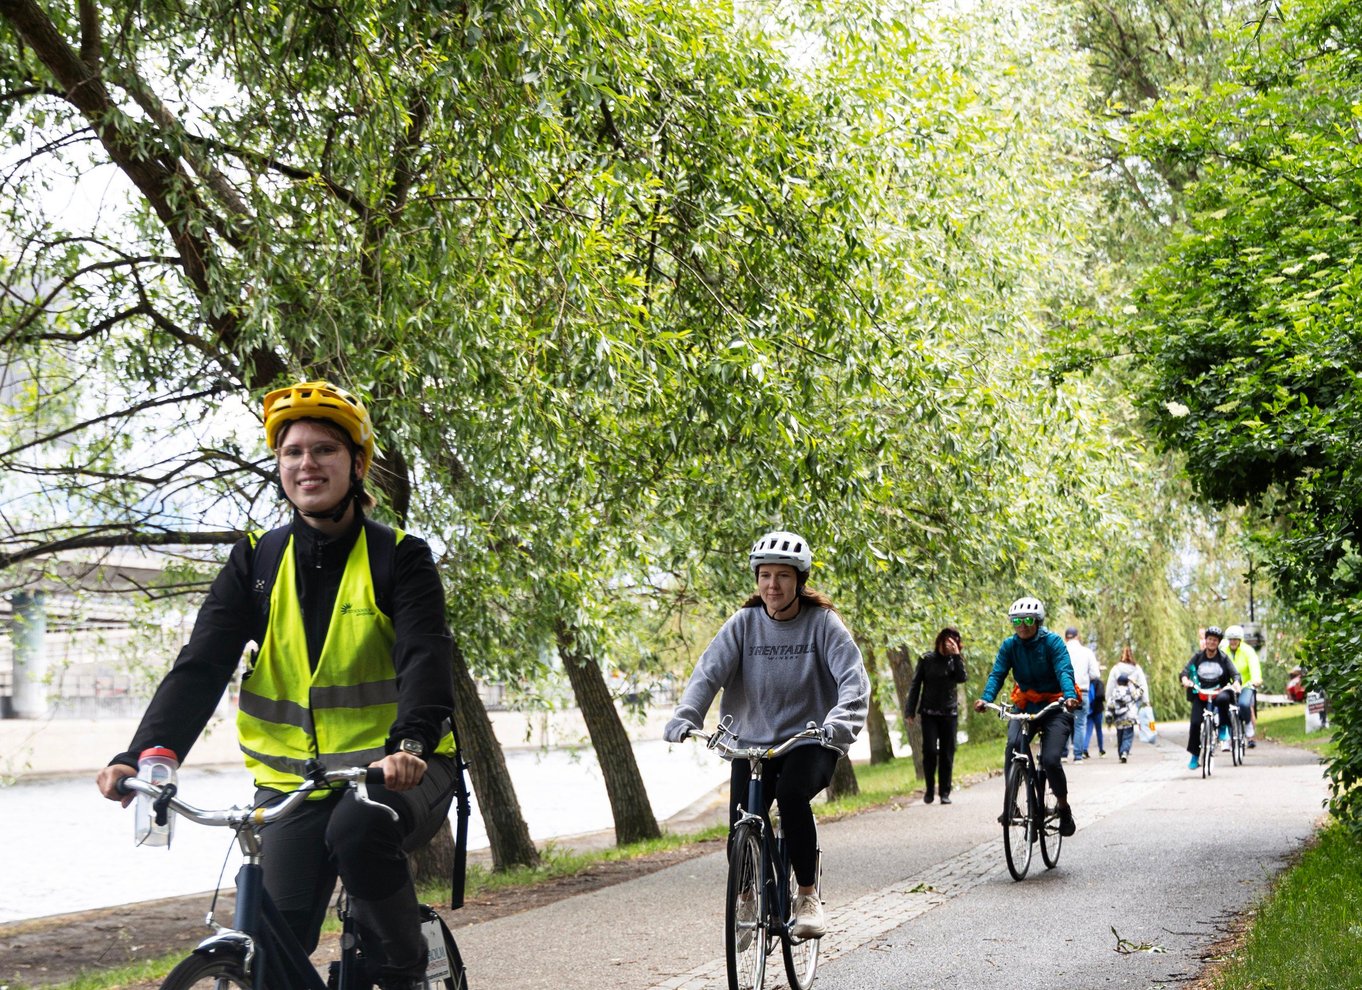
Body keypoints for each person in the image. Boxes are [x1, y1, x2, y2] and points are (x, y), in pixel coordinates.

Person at [96, 381, 458, 990]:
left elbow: (425, 657)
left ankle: (406, 972)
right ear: (279, 466)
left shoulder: (401, 557)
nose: (306, 464)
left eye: (324, 450)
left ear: (357, 465)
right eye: (292, 452)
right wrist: (142, 754)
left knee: (358, 828)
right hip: (293, 784)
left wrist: (413, 745)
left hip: (396, 773)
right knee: (273, 942)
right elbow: (202, 665)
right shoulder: (256, 561)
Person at [663, 530, 869, 939]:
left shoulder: (823, 624)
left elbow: (854, 683)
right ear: (757, 580)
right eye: (765, 575)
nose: (772, 585)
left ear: (800, 580)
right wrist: (687, 716)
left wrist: (838, 724)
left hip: (810, 739)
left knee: (792, 796)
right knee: (742, 820)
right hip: (751, 743)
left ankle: (807, 896)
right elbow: (708, 673)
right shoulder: (743, 624)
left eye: (783, 576)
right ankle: (746, 899)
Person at [973, 596, 1082, 836]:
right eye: (1016, 621)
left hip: (1055, 706)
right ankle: (1013, 803)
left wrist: (1068, 696)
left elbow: (1064, 670)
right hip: (1025, 705)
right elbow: (997, 674)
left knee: (1051, 760)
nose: (1022, 625)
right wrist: (986, 698)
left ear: (1038, 621)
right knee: (1013, 745)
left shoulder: (1052, 642)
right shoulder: (1009, 646)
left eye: (1028, 619)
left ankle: (1063, 808)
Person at [905, 627, 969, 805]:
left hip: (950, 713)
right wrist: (910, 710)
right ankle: (930, 789)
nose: (951, 645)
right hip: (929, 713)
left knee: (947, 753)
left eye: (955, 642)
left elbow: (962, 678)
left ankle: (945, 792)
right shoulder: (927, 659)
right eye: (948, 641)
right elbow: (916, 684)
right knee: (930, 751)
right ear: (940, 640)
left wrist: (956, 656)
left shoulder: (954, 661)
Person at [1181, 626, 1240, 771]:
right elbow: (1186, 670)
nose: (1212, 642)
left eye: (1215, 640)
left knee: (1222, 699)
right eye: (1209, 639)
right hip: (1201, 693)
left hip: (1219, 691)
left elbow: (1235, 674)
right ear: (1205, 640)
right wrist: (1185, 679)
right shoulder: (1198, 657)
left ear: (1218, 642)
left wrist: (1237, 683)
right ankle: (1195, 755)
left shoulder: (1224, 658)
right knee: (1195, 723)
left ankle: (1223, 727)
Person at [1063, 626, 1100, 760]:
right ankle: (1078, 756)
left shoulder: (1061, 650)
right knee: (1080, 723)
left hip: (1064, 693)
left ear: (1066, 637)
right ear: (1077, 637)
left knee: (1063, 721)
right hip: (1082, 692)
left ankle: (1063, 754)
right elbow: (1095, 674)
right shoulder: (1087, 652)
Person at [1224, 625, 1263, 748]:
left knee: (1245, 704)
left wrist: (1255, 679)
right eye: (1230, 639)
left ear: (1240, 640)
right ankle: (1228, 737)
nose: (1233, 642)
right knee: (1224, 707)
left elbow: (1254, 667)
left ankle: (1248, 725)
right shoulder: (1223, 651)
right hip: (1229, 686)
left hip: (1246, 684)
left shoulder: (1248, 651)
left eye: (1235, 639)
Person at [1105, 672, 1144, 763]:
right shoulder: (1131, 692)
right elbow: (1141, 690)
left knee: (1120, 737)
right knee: (1128, 736)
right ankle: (1124, 752)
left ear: (1118, 682)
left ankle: (1120, 754)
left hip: (1118, 719)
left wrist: (1108, 718)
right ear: (1127, 682)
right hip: (1129, 718)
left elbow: (1110, 706)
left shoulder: (1115, 692)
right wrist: (1134, 682)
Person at [1084, 666, 1107, 757]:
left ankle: (1084, 749)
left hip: (1089, 709)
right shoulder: (1099, 682)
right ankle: (1101, 750)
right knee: (1099, 730)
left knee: (1088, 730)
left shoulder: (1087, 682)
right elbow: (1101, 695)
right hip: (1098, 709)